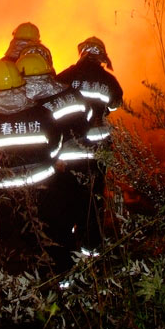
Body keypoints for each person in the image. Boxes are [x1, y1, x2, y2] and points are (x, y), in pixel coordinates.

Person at [0, 60, 69, 275]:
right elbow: (57, 143)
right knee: (54, 236)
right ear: (21, 84)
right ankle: (62, 282)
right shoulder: (42, 114)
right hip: (44, 188)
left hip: (5, 194)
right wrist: (46, 163)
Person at [56, 36, 123, 254]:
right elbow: (115, 105)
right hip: (97, 152)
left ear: (82, 53)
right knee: (93, 200)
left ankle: (66, 250)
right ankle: (91, 249)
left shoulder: (66, 76)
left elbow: (52, 104)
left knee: (66, 198)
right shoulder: (109, 81)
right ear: (102, 57)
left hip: (68, 151)